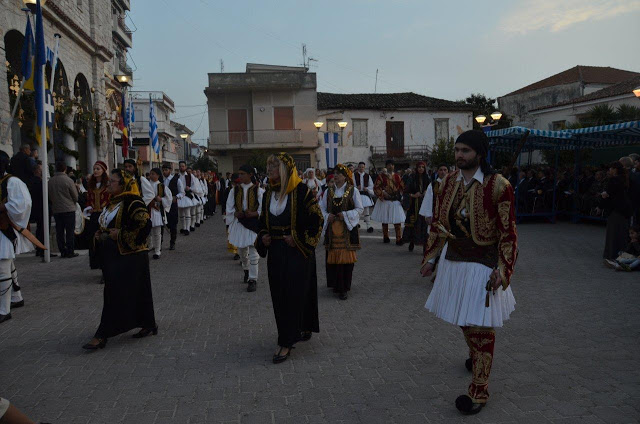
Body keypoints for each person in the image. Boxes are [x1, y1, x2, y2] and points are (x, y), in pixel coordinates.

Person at [420, 130, 518, 415]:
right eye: (457, 150)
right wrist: (431, 258)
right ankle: (475, 356)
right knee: (464, 320)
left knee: (480, 327)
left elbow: (508, 233)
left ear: (479, 153)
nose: (459, 155)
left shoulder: (498, 186)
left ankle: (479, 390)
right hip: (454, 262)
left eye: (465, 150)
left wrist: (503, 269)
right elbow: (439, 224)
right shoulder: (447, 182)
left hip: (483, 265)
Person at [256, 153, 323, 364]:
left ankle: (286, 342)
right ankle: (292, 330)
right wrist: (262, 236)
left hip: (297, 253)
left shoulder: (302, 192)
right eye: (268, 169)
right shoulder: (268, 194)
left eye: (273, 169)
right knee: (279, 296)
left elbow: (317, 220)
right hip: (275, 253)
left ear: (284, 171)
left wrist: (298, 239)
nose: (269, 173)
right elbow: (262, 222)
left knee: (294, 295)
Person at [82, 169, 157, 350]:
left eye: (113, 182)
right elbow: (107, 224)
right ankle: (147, 323)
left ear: (123, 184)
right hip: (115, 257)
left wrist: (121, 235)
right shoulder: (112, 202)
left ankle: (102, 334)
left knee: (117, 293)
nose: (109, 184)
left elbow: (145, 224)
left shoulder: (133, 201)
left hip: (131, 257)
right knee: (127, 292)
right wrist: (101, 234)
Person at [0, 151, 34, 324]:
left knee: (2, 266)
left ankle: (3, 309)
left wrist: (4, 207)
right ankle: (16, 297)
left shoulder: (13, 181)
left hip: (4, 229)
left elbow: (24, 203)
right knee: (7, 265)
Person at [321, 164, 362, 300]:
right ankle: (335, 285)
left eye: (339, 174)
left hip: (347, 231)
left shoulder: (353, 190)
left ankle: (344, 287)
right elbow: (321, 209)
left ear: (345, 176)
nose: (336, 176)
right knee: (334, 258)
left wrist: (345, 214)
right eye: (335, 173)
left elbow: (359, 209)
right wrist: (328, 216)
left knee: (345, 260)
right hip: (333, 230)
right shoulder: (328, 191)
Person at [226, 165, 265, 292]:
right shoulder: (235, 190)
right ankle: (246, 270)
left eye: (243, 174)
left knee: (254, 252)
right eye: (239, 173)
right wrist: (236, 213)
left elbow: (263, 208)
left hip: (253, 223)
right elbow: (229, 206)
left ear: (250, 175)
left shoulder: (258, 190)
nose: (240, 176)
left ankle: (253, 279)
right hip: (240, 222)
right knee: (242, 252)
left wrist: (254, 213)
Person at [599, 161, 632, 260]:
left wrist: (604, 196)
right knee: (621, 234)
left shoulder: (613, 180)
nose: (609, 170)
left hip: (615, 210)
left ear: (615, 169)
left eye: (610, 168)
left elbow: (608, 194)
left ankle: (612, 255)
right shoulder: (625, 179)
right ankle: (622, 255)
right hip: (624, 210)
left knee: (613, 234)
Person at [84, 161, 110, 278]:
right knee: (95, 241)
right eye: (94, 169)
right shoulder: (91, 185)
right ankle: (99, 265)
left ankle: (107, 268)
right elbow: (89, 199)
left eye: (98, 169)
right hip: (94, 216)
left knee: (105, 241)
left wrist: (106, 207)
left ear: (103, 170)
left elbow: (111, 198)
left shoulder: (108, 184)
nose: (95, 171)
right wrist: (90, 207)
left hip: (105, 216)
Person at [48, 162, 78, 258]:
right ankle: (70, 251)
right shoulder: (68, 180)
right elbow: (75, 196)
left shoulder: (50, 181)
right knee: (69, 231)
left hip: (57, 209)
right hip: (68, 208)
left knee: (59, 231)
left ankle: (62, 250)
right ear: (65, 169)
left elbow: (49, 196)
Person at [371, 159, 405, 244]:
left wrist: (401, 195)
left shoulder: (397, 176)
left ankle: (398, 238)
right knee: (385, 220)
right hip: (385, 200)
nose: (391, 166)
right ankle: (385, 237)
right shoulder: (381, 176)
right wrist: (382, 194)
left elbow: (402, 187)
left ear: (394, 166)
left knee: (397, 221)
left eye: (392, 165)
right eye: (389, 165)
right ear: (386, 166)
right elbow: (376, 187)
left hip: (395, 200)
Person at [402, 161, 430, 252]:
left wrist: (427, 192)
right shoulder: (412, 178)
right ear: (416, 168)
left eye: (422, 167)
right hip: (414, 205)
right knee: (413, 224)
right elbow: (405, 191)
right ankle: (412, 242)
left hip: (424, 205)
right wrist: (414, 195)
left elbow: (432, 191)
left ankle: (424, 246)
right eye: (419, 167)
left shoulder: (427, 178)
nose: (421, 168)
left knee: (424, 225)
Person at [148, 168, 172, 260]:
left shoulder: (162, 186)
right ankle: (150, 245)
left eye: (153, 174)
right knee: (147, 231)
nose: (151, 176)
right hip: (147, 210)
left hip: (157, 211)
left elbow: (169, 199)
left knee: (157, 232)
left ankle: (157, 250)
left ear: (158, 175)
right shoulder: (146, 185)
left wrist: (161, 199)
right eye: (150, 174)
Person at [162, 164, 181, 250]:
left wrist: (176, 197)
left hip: (172, 205)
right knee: (162, 224)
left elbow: (182, 192)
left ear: (170, 170)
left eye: (166, 170)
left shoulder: (176, 180)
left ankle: (172, 242)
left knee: (173, 224)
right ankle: (159, 243)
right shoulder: (161, 180)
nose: (164, 172)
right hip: (163, 204)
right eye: (163, 170)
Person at [353, 162, 375, 233]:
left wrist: (367, 188)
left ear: (364, 168)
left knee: (366, 210)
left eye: (362, 167)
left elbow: (371, 185)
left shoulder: (367, 176)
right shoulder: (354, 175)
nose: (361, 168)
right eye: (360, 167)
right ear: (358, 167)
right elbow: (351, 185)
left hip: (365, 195)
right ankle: (356, 224)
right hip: (357, 194)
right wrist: (356, 187)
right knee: (357, 210)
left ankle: (368, 226)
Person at [177, 161, 195, 235]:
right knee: (181, 213)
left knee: (187, 212)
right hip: (180, 196)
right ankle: (183, 227)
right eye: (180, 166)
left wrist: (190, 188)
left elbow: (194, 185)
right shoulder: (176, 176)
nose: (182, 167)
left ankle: (187, 228)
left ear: (185, 167)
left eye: (183, 166)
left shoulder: (190, 176)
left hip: (187, 195)